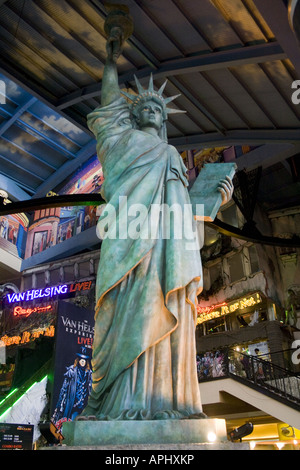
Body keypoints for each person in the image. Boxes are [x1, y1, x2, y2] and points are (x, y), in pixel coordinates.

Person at [80, 18, 233, 421]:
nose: (149, 109)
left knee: (164, 317)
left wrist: (213, 199)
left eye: (156, 108)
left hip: (165, 253)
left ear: (163, 121)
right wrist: (111, 63)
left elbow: (186, 217)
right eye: (143, 106)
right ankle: (124, 403)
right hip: (129, 247)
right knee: (132, 315)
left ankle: (165, 402)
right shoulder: (123, 143)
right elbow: (111, 110)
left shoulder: (171, 158)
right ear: (133, 117)